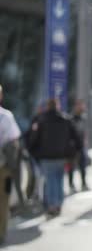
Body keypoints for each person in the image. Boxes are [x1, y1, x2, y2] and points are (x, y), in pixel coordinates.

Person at [28, 99, 81, 216]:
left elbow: (33, 138)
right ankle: (58, 203)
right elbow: (76, 137)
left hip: (46, 156)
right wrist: (75, 151)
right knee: (59, 179)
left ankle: (52, 205)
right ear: (58, 106)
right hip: (61, 155)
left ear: (47, 106)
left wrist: (33, 151)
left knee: (50, 180)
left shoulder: (41, 120)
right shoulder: (66, 119)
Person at [0, 84, 21, 244]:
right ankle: (1, 234)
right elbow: (14, 139)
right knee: (3, 201)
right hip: (4, 168)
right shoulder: (6, 116)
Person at [67, 99, 89, 192]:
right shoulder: (70, 118)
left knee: (83, 166)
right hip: (73, 147)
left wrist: (85, 139)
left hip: (81, 146)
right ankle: (71, 185)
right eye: (80, 105)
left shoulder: (83, 118)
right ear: (75, 107)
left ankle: (84, 184)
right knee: (71, 167)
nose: (82, 107)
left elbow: (83, 131)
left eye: (82, 105)